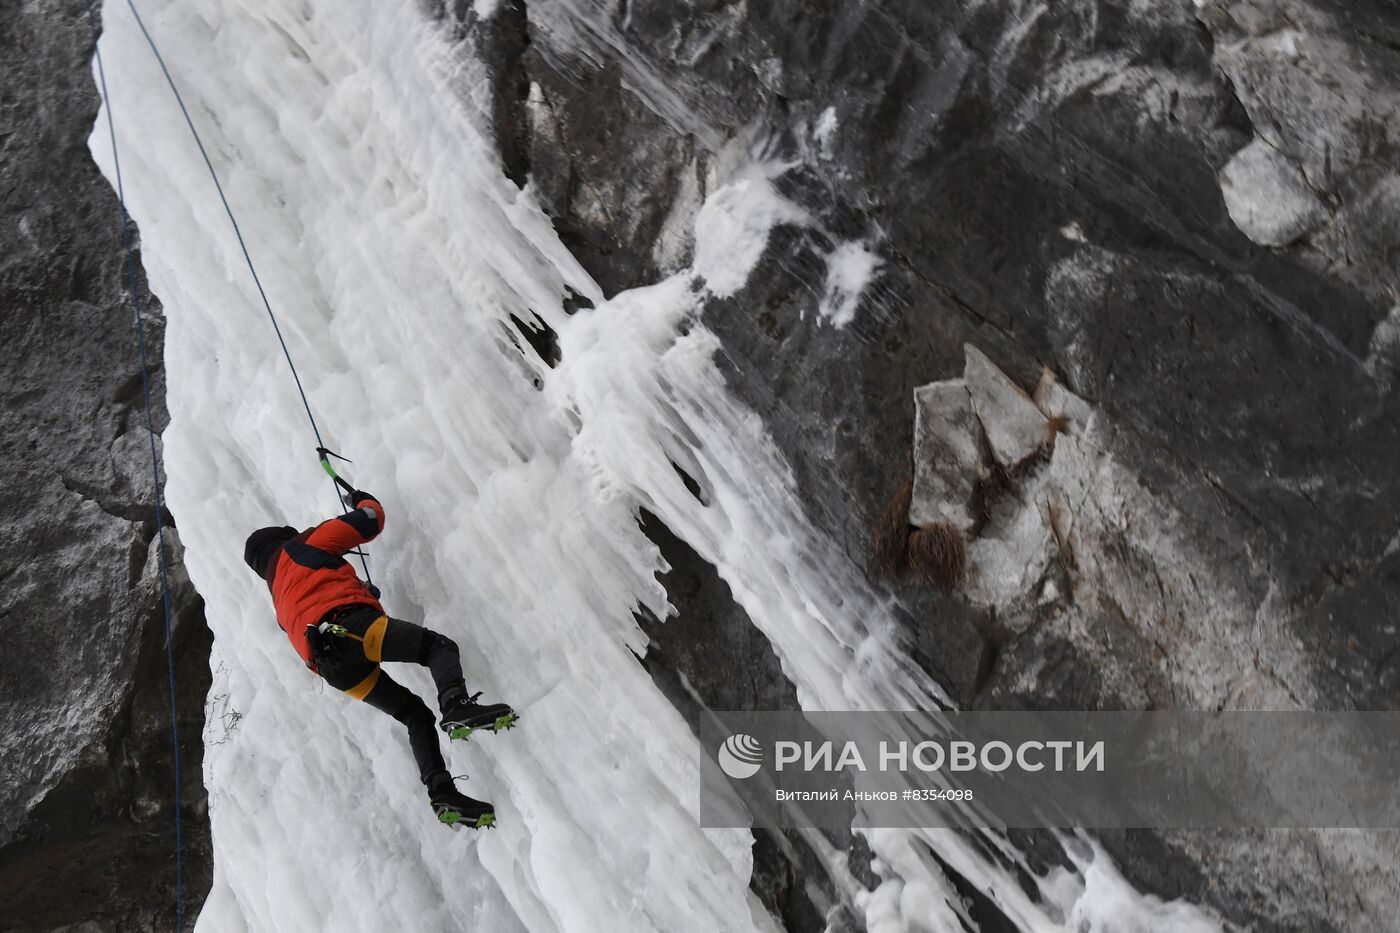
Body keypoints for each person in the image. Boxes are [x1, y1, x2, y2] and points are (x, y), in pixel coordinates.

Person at [242, 489, 517, 829]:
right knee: (436, 647)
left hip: (336, 670)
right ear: (283, 537)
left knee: (415, 715)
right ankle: (455, 705)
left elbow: (317, 600)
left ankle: (442, 793)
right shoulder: (301, 546)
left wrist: (362, 595)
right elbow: (371, 520)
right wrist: (361, 499)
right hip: (348, 629)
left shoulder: (280, 599)